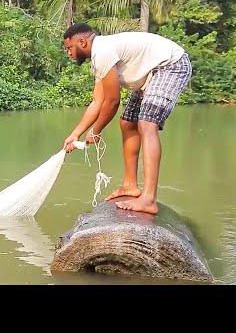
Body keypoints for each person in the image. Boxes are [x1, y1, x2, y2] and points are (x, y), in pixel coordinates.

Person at [62, 22, 192, 214]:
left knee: (147, 124)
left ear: (81, 42)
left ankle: (149, 199)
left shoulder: (103, 51)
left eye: (69, 48)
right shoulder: (100, 59)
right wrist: (75, 134)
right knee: (128, 123)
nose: (69, 53)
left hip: (170, 66)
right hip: (149, 74)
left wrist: (96, 130)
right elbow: (98, 102)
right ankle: (130, 185)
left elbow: (113, 101)